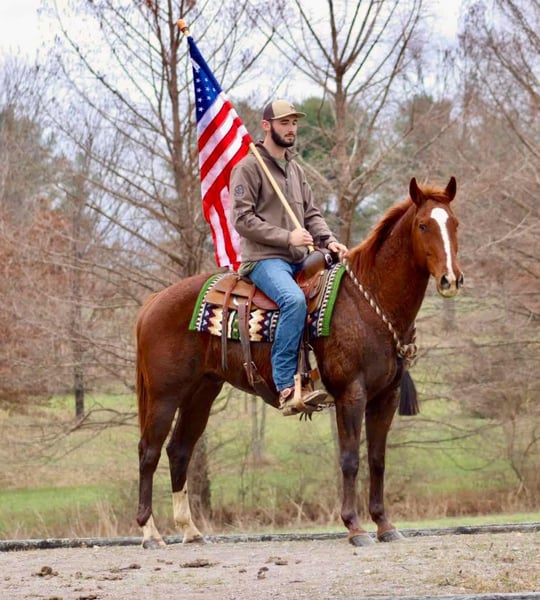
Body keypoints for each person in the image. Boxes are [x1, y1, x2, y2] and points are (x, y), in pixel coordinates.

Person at [230, 99, 348, 415]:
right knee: (294, 301)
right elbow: (242, 219)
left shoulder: (295, 169)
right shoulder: (248, 167)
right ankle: (285, 385)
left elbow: (311, 214)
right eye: (284, 123)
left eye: (294, 123)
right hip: (264, 259)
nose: (291, 128)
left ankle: (328, 373)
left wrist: (329, 241)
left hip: (298, 258)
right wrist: (287, 237)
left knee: (340, 287)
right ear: (266, 126)